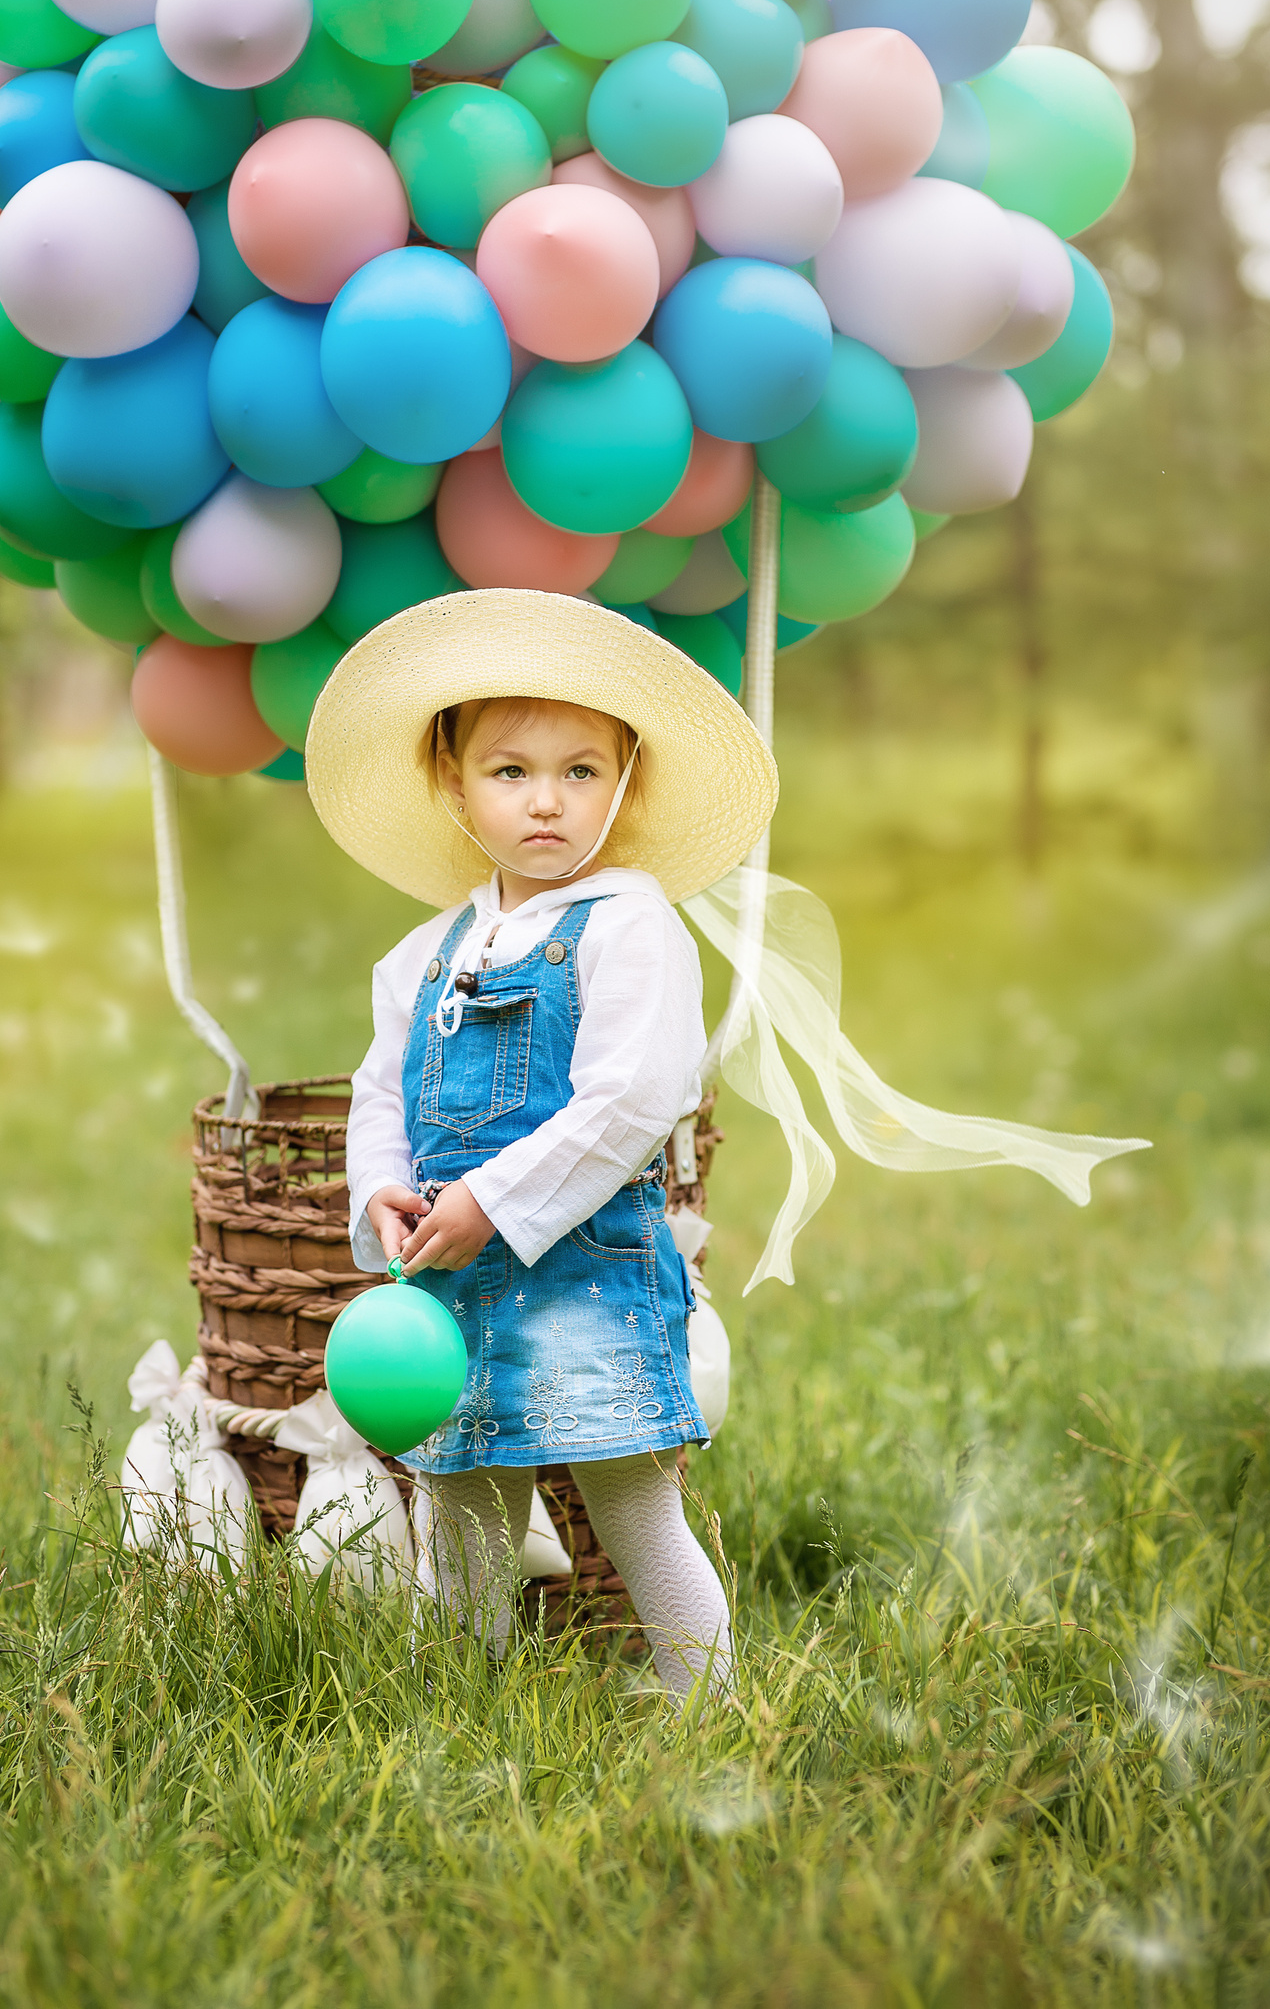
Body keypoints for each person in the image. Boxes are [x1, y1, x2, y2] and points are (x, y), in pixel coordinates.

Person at [304, 587, 777, 1704]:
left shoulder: (628, 922)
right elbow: (380, 1093)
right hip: (451, 1279)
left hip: (580, 1271)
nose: (548, 802)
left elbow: (632, 1098)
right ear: (451, 783)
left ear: (622, 785)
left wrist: (492, 1200)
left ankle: (703, 1700)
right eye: (511, 771)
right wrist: (382, 1189)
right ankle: (458, 1705)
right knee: (461, 1500)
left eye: (581, 771)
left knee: (628, 1496)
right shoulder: (421, 955)